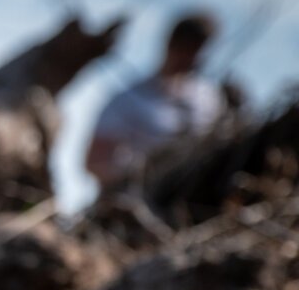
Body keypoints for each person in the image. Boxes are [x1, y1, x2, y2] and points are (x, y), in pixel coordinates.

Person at [86, 11, 225, 189]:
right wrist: (137, 173)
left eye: (196, 50)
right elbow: (93, 163)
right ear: (170, 44)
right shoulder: (128, 100)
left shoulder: (210, 99)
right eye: (185, 48)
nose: (189, 58)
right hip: (136, 198)